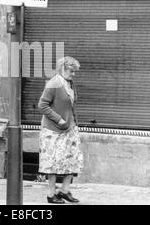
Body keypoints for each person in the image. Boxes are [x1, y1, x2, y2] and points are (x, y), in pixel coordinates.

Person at [38, 56, 84, 204]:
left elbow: (71, 105)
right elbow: (42, 105)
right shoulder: (54, 83)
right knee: (52, 162)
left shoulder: (70, 83)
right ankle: (51, 195)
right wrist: (59, 119)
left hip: (70, 128)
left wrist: (74, 122)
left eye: (75, 71)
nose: (74, 74)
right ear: (62, 69)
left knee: (72, 159)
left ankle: (64, 190)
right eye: (71, 71)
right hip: (53, 130)